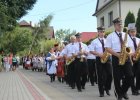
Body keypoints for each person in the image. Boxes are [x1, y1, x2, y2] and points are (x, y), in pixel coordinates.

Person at [105, 17, 133, 100]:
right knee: (117, 78)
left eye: (121, 24)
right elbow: (107, 48)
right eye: (118, 24)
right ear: (115, 25)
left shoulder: (126, 35)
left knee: (130, 76)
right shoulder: (110, 36)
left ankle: (123, 91)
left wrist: (129, 53)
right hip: (116, 56)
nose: (120, 26)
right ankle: (119, 94)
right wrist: (117, 55)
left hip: (126, 56)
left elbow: (130, 47)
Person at [90, 26, 112, 97]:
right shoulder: (94, 41)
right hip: (99, 59)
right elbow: (91, 51)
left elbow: (111, 49)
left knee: (109, 75)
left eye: (103, 32)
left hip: (107, 58)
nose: (102, 33)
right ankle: (101, 92)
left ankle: (107, 88)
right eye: (100, 32)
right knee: (100, 76)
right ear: (98, 33)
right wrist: (99, 54)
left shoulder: (107, 40)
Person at [127, 23, 140, 95]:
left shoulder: (138, 40)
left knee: (139, 74)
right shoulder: (127, 40)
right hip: (130, 58)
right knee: (131, 75)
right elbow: (127, 49)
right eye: (131, 31)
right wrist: (132, 54)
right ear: (129, 32)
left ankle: (137, 88)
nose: (133, 33)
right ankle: (133, 90)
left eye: (134, 31)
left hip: (138, 58)